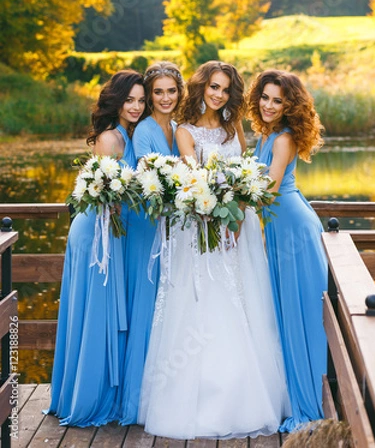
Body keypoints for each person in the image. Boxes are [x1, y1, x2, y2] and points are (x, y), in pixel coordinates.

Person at [138, 61, 290, 440]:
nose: (218, 95)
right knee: (204, 305)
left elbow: (246, 170)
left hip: (241, 224)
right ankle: (200, 398)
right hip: (202, 226)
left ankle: (246, 391)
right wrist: (219, 215)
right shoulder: (185, 132)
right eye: (213, 87)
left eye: (225, 89)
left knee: (245, 301)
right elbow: (195, 182)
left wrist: (238, 217)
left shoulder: (234, 126)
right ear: (202, 87)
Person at [47, 70, 147, 427]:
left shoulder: (132, 134)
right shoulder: (109, 138)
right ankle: (90, 398)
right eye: (129, 99)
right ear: (116, 100)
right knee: (96, 312)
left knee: (103, 312)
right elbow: (112, 199)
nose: (135, 106)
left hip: (113, 232)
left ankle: (97, 390)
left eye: (140, 100)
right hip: (97, 234)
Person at [248, 69, 327, 433]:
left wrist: (224, 196)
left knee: (299, 314)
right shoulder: (267, 135)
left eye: (277, 100)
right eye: (265, 97)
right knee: (284, 312)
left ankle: (308, 405)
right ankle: (294, 395)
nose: (268, 105)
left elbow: (268, 190)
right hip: (279, 231)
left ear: (289, 105)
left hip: (294, 229)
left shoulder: (283, 140)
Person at [120, 61, 184, 425]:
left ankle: (166, 392)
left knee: (168, 307)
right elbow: (149, 185)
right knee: (148, 304)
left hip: (175, 227)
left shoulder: (178, 127)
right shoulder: (143, 130)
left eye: (170, 91)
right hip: (148, 227)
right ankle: (137, 402)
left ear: (179, 92)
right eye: (157, 92)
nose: (164, 98)